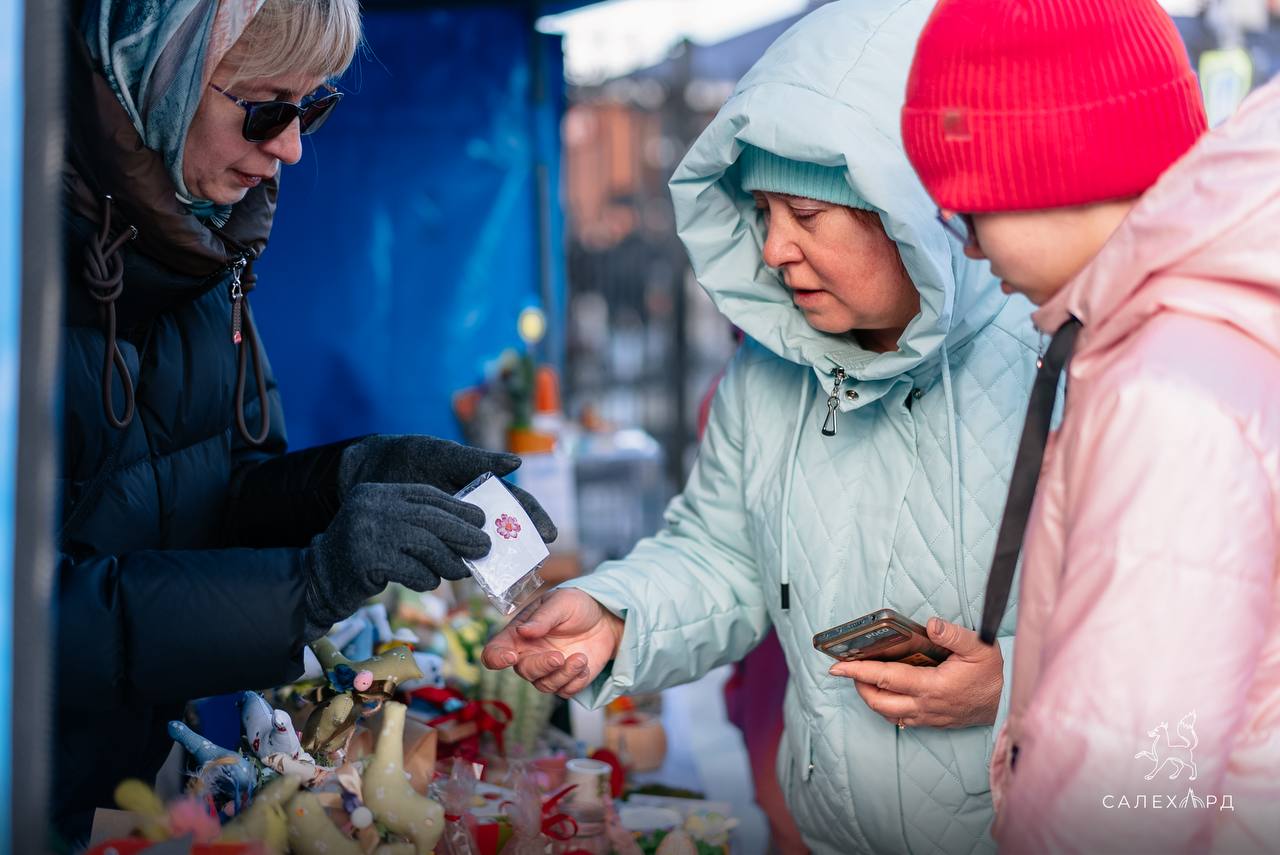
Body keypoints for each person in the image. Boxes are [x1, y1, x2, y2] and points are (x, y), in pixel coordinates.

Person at [484, 2, 1042, 851]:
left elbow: (1174, 649)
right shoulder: (767, 371)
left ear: (909, 211)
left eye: (807, 215)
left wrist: (1012, 691)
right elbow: (723, 556)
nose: (775, 248)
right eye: (764, 212)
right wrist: (617, 618)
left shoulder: (1056, 364)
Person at [58, 0, 554, 842]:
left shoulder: (203, 251)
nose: (290, 146)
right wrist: (306, 587)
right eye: (265, 108)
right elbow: (32, 617)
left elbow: (211, 499)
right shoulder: (22, 268)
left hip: (134, 790)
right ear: (156, 77)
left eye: (310, 108)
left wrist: (352, 478)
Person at [903, 1, 1280, 850]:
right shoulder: (1195, 335)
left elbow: (1129, 782)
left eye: (967, 212)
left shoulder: (1163, 394)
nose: (969, 249)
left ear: (1051, 169)